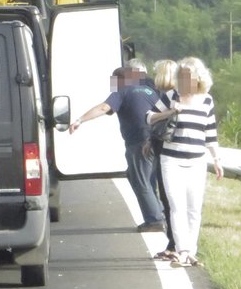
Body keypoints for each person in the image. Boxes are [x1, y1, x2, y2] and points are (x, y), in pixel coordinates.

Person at [68, 59, 165, 232]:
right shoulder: (150, 91)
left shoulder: (123, 91)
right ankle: (159, 212)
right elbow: (163, 111)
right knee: (146, 179)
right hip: (156, 140)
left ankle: (154, 220)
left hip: (138, 142)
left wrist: (80, 119)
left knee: (141, 181)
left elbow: (104, 108)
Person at [146, 56, 223, 268]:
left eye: (188, 77)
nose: (184, 81)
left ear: (198, 78)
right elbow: (149, 117)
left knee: (194, 208)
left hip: (197, 160)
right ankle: (182, 251)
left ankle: (192, 252)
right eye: (181, 76)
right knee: (176, 206)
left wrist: (216, 159)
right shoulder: (171, 95)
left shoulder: (207, 100)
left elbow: (210, 132)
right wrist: (172, 111)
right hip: (171, 159)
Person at [147, 59, 179, 261]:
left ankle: (175, 243)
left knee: (169, 196)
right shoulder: (169, 96)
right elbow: (150, 118)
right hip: (164, 147)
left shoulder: (171, 95)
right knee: (169, 197)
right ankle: (174, 242)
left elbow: (151, 118)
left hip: (168, 149)